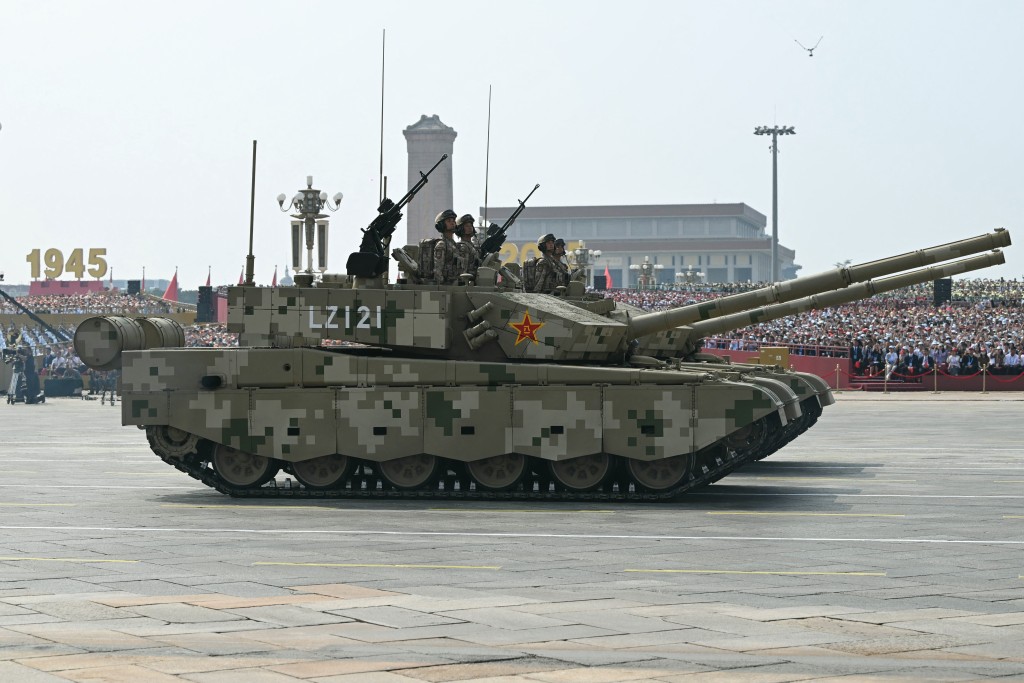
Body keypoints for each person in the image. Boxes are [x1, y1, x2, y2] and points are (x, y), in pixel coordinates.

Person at [432, 209, 459, 285]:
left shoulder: (454, 245)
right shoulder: (441, 244)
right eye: (449, 221)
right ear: (441, 225)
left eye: (453, 220)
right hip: (446, 286)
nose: (452, 222)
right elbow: (438, 270)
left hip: (455, 283)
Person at [455, 214, 480, 278]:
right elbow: (463, 270)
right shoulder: (462, 247)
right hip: (467, 281)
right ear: (461, 229)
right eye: (466, 226)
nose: (470, 228)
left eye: (471, 225)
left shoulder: (472, 246)